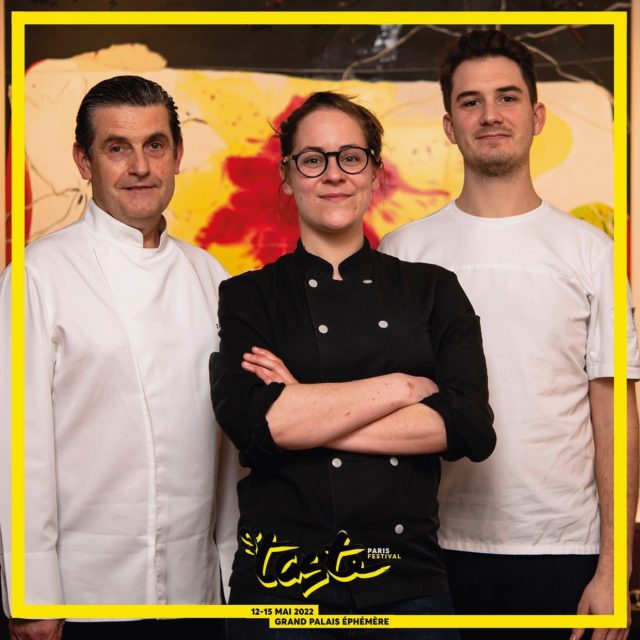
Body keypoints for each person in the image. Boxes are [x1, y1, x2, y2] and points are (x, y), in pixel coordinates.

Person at [379, 29, 640, 640]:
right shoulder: (403, 251)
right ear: (449, 126)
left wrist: (615, 565)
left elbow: (614, 411)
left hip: (563, 548)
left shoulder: (593, 252)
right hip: (429, 546)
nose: (490, 114)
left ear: (537, 116)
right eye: (470, 101)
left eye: (508, 97)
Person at [210, 91, 496, 640]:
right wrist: (402, 386)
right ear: (287, 177)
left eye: (350, 157)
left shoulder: (432, 290)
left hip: (407, 581)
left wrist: (306, 411)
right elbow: (257, 425)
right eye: (312, 159)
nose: (334, 174)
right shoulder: (248, 295)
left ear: (375, 173)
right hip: (281, 589)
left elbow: (470, 427)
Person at [0, 75, 241, 639]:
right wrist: (33, 598)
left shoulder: (211, 276)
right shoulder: (38, 275)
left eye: (155, 145)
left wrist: (232, 576)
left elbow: (230, 456)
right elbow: (19, 449)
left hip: (197, 596)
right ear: (83, 162)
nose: (140, 167)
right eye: (117, 148)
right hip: (83, 600)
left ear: (177, 155)